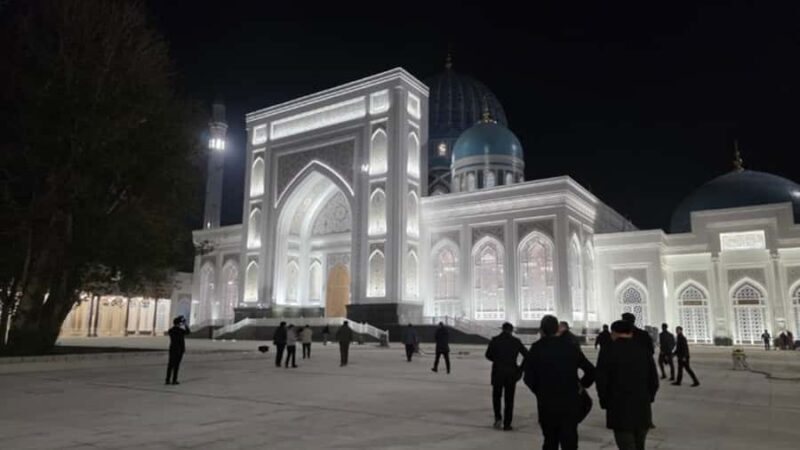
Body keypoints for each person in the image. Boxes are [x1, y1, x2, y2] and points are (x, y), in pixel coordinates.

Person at [524, 315, 595, 449]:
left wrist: (541, 392)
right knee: (570, 442)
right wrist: (581, 386)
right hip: (570, 402)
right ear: (558, 329)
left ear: (541, 330)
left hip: (547, 404)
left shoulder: (537, 348)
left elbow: (528, 378)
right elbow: (591, 371)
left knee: (550, 441)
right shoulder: (570, 347)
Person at [596, 320, 659, 450]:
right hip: (642, 406)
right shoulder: (643, 350)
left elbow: (601, 381)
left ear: (613, 333)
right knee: (640, 445)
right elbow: (654, 380)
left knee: (626, 445)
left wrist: (605, 401)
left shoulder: (608, 351)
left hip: (619, 407)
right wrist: (649, 397)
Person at [485, 322, 528, 431]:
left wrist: (497, 360)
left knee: (496, 397)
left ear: (502, 329)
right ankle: (507, 423)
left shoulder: (495, 340)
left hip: (498, 372)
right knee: (509, 399)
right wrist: (520, 369)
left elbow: (488, 355)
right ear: (511, 330)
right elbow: (527, 356)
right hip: (511, 373)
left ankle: (498, 418)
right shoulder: (516, 342)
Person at [166, 316, 190, 385]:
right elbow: (188, 332)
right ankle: (174, 380)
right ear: (179, 323)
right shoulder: (180, 331)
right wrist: (185, 324)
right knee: (176, 365)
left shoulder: (170, 330)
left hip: (172, 348)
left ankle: (167, 380)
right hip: (179, 350)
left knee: (170, 365)